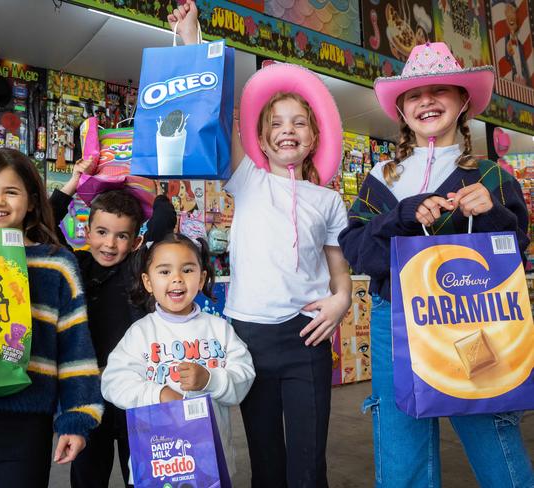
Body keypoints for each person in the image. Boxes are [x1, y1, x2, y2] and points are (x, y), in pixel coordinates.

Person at [170, 3, 352, 486]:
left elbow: (338, 270)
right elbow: (211, 108)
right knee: (265, 456)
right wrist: (192, 35)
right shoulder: (246, 177)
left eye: (299, 123)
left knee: (309, 459)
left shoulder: (329, 200)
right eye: (276, 123)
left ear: (314, 137)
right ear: (262, 139)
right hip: (248, 337)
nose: (287, 130)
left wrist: (342, 301)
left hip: (306, 335)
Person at [339, 42, 534, 487]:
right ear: (402, 111)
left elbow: (514, 251)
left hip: (474, 317)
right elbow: (356, 250)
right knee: (400, 437)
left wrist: (492, 213)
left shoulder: (491, 175)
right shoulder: (380, 177)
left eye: (440, 89)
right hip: (396, 319)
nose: (426, 100)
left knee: (489, 427)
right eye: (414, 94)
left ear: (463, 101)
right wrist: (400, 215)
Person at [0, 148, 103, 488]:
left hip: (26, 423)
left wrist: (77, 418)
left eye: (10, 191)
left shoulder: (55, 264)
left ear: (30, 201)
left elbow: (75, 349)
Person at [50, 159, 176, 488]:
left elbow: (163, 222)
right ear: (86, 232)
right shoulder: (73, 264)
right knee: (88, 478)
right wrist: (73, 183)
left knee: (145, 477)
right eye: (102, 232)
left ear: (136, 242)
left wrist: (158, 190)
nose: (109, 244)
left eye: (122, 236)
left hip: (137, 391)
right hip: (90, 394)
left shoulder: (139, 268)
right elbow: (44, 223)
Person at [101, 233, 255, 478]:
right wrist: (158, 393)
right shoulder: (141, 333)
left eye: (187, 270)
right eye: (164, 272)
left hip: (210, 462)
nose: (176, 279)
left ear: (202, 277)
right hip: (157, 461)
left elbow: (244, 375)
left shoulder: (219, 329)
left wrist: (209, 380)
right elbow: (113, 382)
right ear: (148, 281)